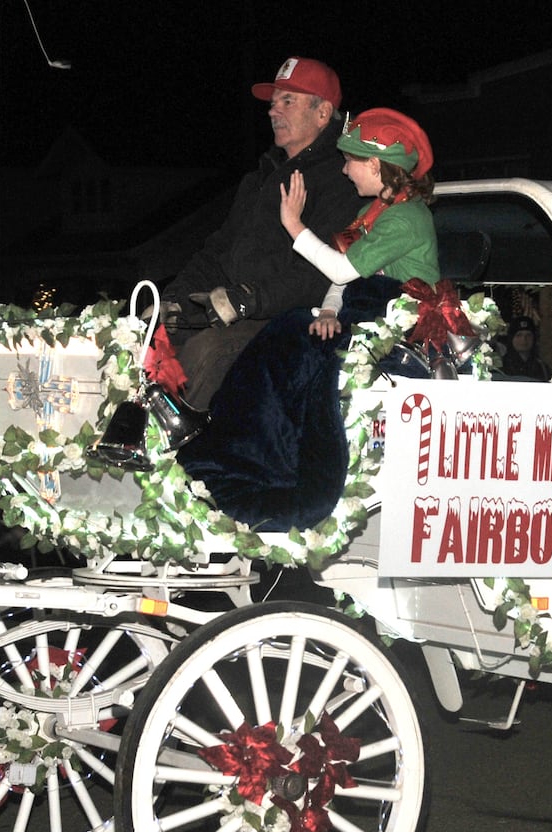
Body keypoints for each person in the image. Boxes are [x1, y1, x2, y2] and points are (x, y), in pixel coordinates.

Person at [176, 108, 439, 531]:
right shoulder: (376, 214)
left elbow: (341, 270)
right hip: (361, 310)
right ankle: (240, 455)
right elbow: (344, 278)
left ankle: (276, 476)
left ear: (375, 165)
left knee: (289, 342)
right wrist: (331, 311)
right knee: (287, 335)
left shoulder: (407, 218)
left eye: (351, 160)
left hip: (397, 323)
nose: (344, 169)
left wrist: (294, 225)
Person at [163, 56, 367, 408]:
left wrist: (249, 299)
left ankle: (182, 454)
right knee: (152, 341)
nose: (274, 111)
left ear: (322, 113)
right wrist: (174, 299)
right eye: (273, 103)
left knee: (207, 351)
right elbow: (217, 252)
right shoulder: (261, 178)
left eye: (288, 101)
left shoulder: (343, 180)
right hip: (239, 310)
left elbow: (322, 275)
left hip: (300, 319)